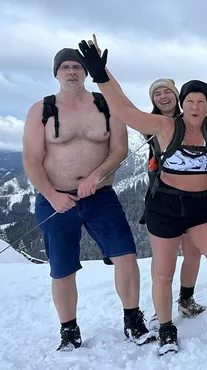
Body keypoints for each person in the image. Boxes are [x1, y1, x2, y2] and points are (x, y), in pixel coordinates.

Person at [75, 37, 207, 355]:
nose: (195, 106)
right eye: (190, 101)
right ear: (184, 104)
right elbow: (124, 110)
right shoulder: (166, 127)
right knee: (163, 272)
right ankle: (166, 329)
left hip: (201, 208)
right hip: (165, 207)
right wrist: (100, 74)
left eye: (201, 102)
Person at [22, 48, 154, 351]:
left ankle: (132, 319)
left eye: (77, 67)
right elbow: (31, 159)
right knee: (63, 267)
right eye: (66, 67)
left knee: (125, 255)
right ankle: (69, 330)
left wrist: (97, 176)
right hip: (55, 198)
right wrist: (53, 196)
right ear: (56, 72)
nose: (72, 72)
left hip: (100, 195)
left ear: (85, 72)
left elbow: (119, 148)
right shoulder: (40, 109)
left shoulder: (105, 105)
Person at [144, 77, 207, 319]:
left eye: (167, 92)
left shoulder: (191, 118)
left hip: (193, 197)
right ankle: (161, 307)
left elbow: (206, 88)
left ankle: (186, 298)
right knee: (162, 260)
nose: (162, 97)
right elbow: (125, 108)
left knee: (192, 251)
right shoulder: (150, 124)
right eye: (156, 93)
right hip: (161, 196)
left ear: (176, 95)